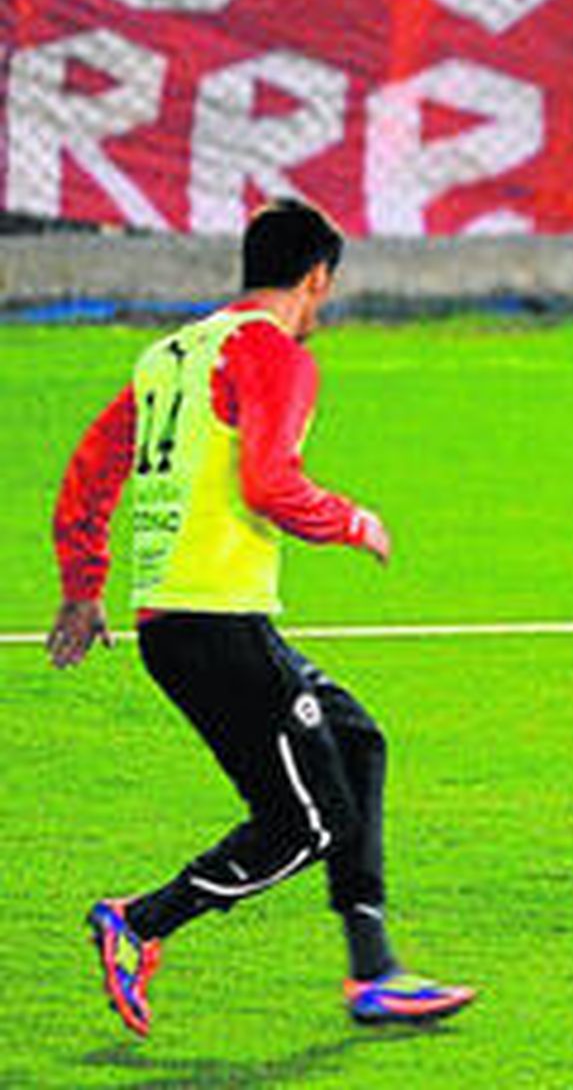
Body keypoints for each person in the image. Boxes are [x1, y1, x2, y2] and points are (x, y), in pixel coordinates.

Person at [48, 198, 475, 1037]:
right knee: (308, 823)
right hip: (216, 626)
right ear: (317, 278)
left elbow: (91, 469)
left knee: (356, 743)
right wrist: (354, 521)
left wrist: (83, 584)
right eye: (327, 290)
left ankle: (374, 971)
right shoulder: (273, 353)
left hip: (189, 624)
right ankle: (137, 923)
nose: (323, 306)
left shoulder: (170, 353)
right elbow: (268, 484)